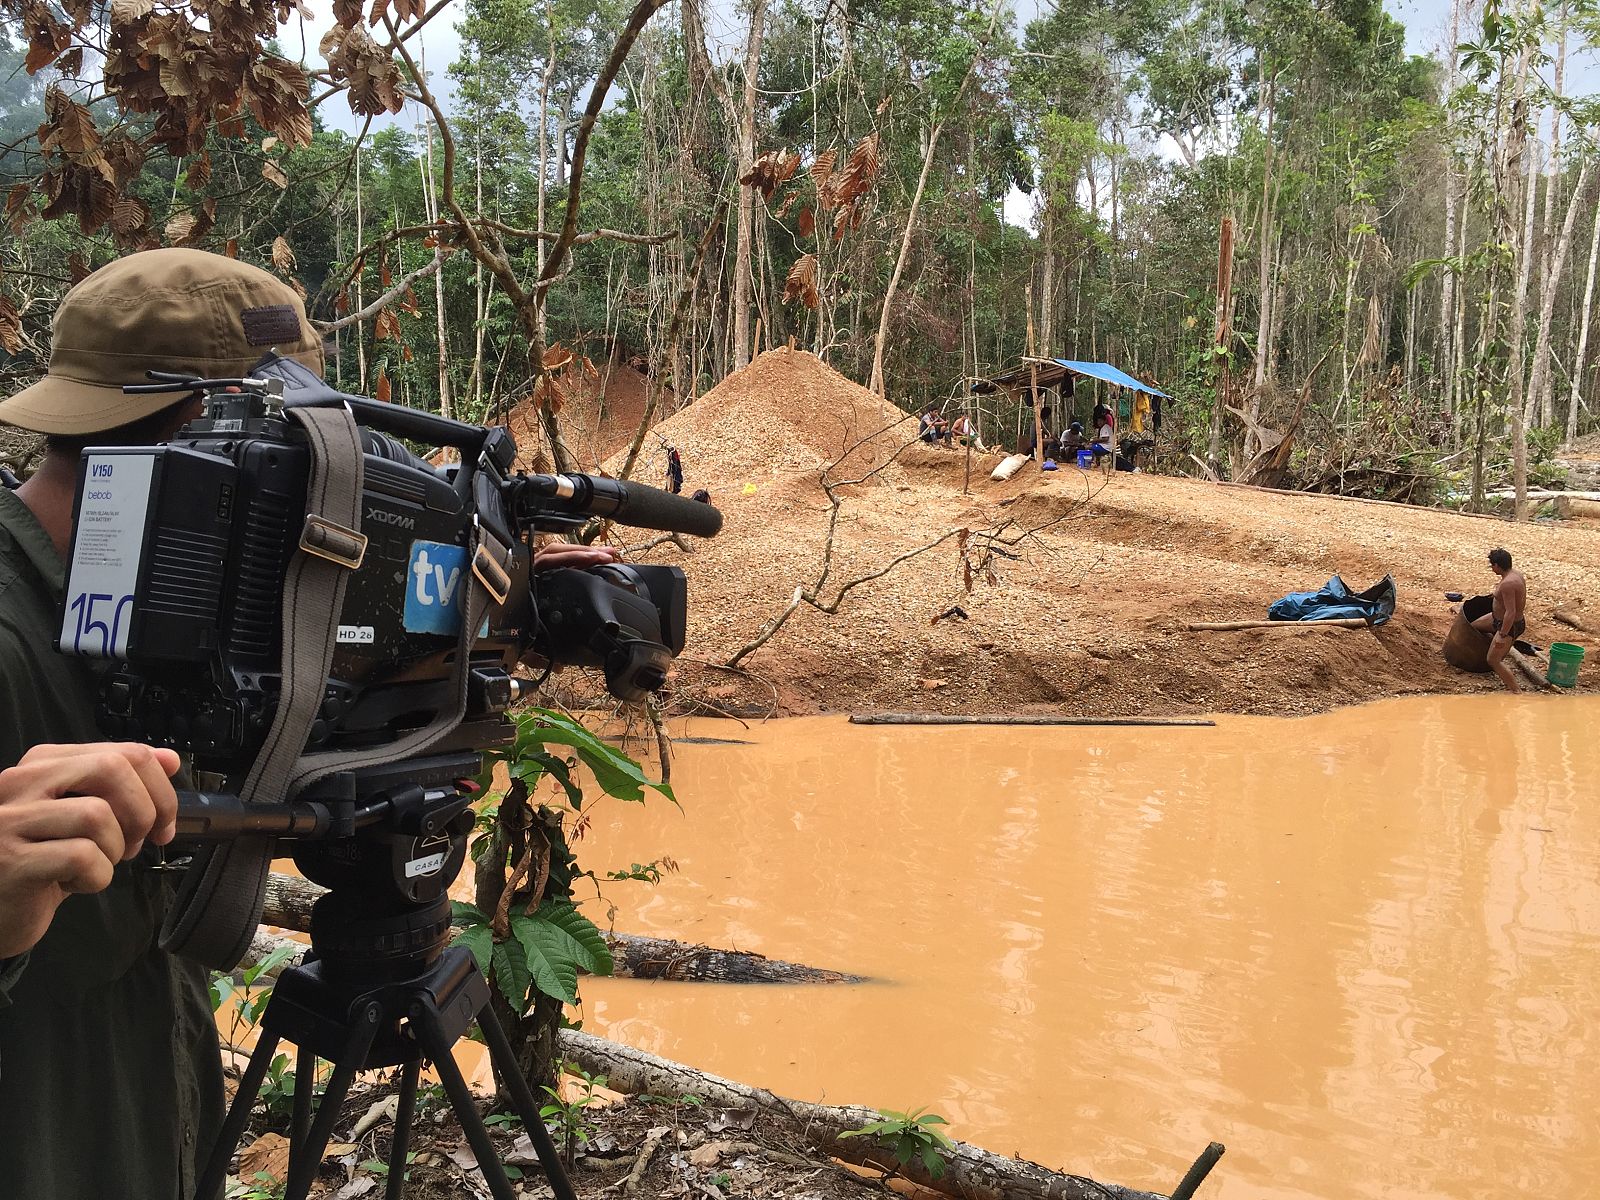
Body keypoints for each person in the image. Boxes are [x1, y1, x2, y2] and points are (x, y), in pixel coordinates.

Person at [0, 248, 615, 1195]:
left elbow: (331, 707)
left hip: (154, 1116)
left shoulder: (189, 612)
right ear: (226, 449)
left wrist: (502, 608)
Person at [1470, 547, 1527, 693]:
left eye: (1492, 565)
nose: (1491, 569)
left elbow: (1511, 612)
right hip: (1497, 619)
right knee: (1473, 626)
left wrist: (1502, 635)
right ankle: (1492, 649)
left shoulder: (1509, 583)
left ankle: (1517, 692)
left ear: (1496, 565)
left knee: (1493, 660)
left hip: (1509, 625)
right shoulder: (1513, 575)